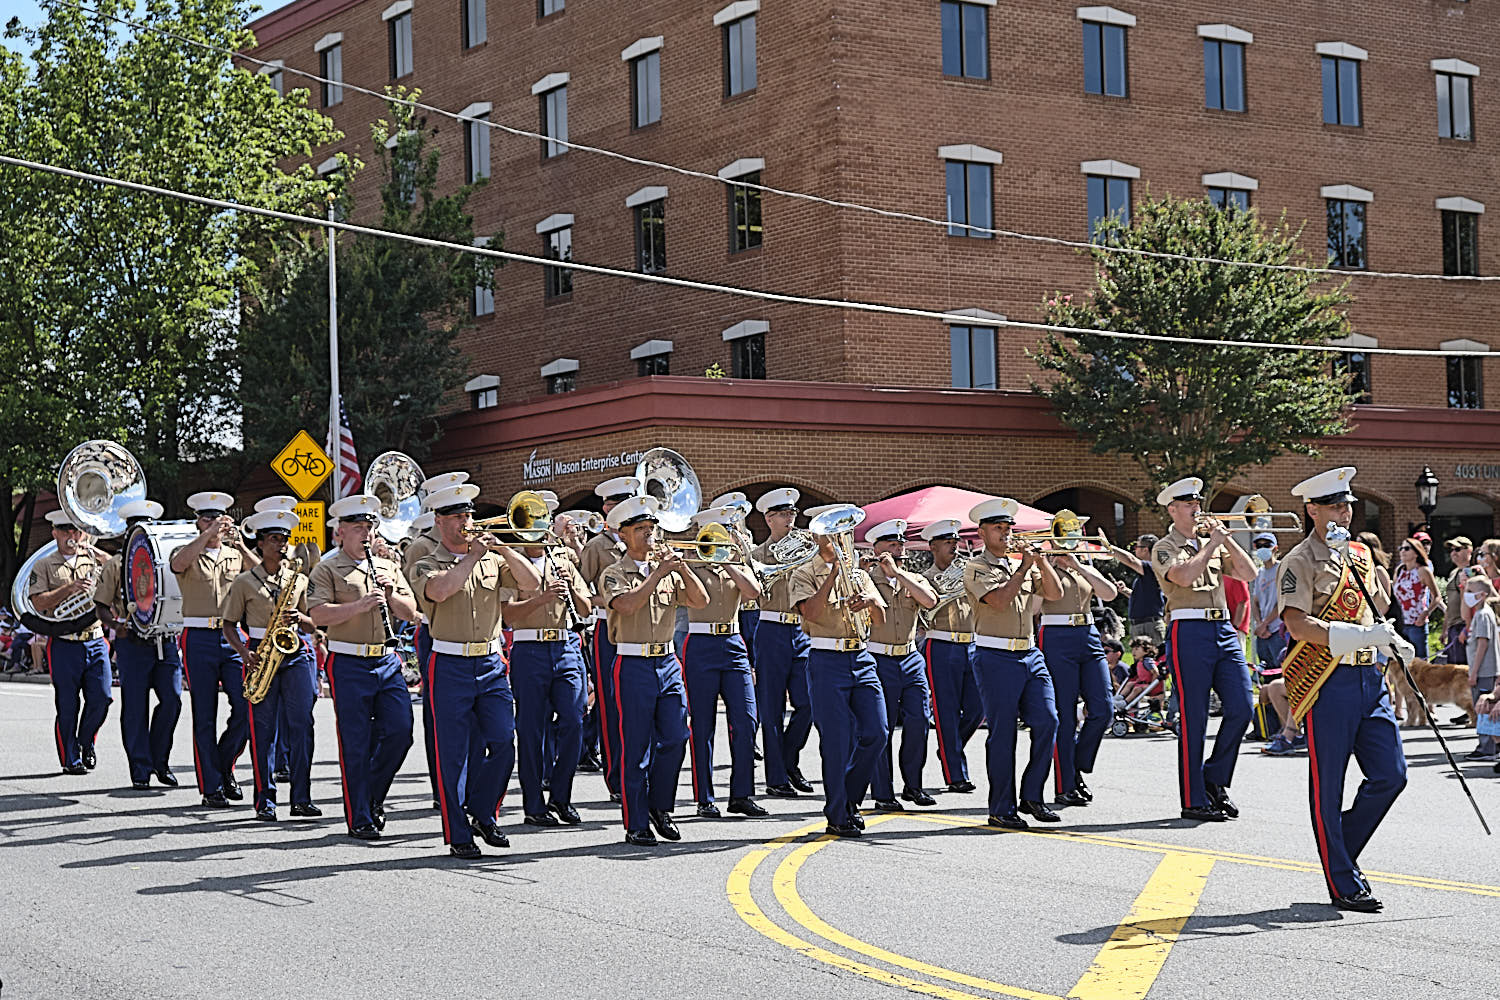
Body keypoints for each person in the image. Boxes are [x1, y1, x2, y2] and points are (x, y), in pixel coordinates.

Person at [1277, 466, 1410, 913]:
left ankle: (1340, 855)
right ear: (1312, 509)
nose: (1345, 511)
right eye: (1335, 505)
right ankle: (1343, 881)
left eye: (1348, 504)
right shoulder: (1298, 560)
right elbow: (1296, 625)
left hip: (1369, 678)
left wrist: (1390, 638)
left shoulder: (1359, 554)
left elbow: (1378, 606)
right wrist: (1350, 637)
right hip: (1327, 680)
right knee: (1328, 785)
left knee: (1391, 775)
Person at [412, 484, 541, 857]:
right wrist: (472, 557)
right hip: (449, 661)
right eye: (455, 517)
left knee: (503, 742)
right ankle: (459, 834)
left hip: (489, 661)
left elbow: (531, 583)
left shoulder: (491, 558)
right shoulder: (425, 558)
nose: (464, 523)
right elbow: (437, 591)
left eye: (467, 515)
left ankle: (484, 812)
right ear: (438, 521)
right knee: (452, 753)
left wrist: (504, 550)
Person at [599, 495, 710, 845]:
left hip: (666, 660)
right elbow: (627, 605)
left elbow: (700, 601)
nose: (649, 536)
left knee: (677, 737)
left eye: (652, 528)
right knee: (635, 747)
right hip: (632, 661)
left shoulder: (665, 567)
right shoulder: (614, 573)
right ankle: (636, 822)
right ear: (624, 534)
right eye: (641, 530)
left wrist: (682, 568)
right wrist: (658, 574)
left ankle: (660, 806)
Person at [307, 494, 418, 841]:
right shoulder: (328, 567)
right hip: (349, 660)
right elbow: (318, 614)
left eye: (369, 527)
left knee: (401, 732)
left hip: (385, 660)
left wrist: (391, 596)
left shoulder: (387, 566)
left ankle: (371, 795)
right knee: (356, 741)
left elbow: (410, 612)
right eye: (358, 528)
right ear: (340, 532)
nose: (366, 534)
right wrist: (359, 605)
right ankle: (359, 817)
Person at [1151, 477, 1256, 822]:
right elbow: (1181, 577)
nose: (1197, 509)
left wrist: (1227, 542)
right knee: (1194, 717)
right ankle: (1193, 799)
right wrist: (1210, 547)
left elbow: (1249, 573)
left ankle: (1214, 779)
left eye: (1198, 503)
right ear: (1172, 509)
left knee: (1242, 708)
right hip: (1189, 628)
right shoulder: (1165, 546)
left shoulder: (1211, 541)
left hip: (1223, 628)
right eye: (1189, 504)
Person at [964, 497, 1064, 829]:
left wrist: (1043, 561)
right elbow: (999, 600)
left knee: (1048, 720)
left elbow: (1055, 594)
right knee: (1003, 733)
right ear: (982, 532)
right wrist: (1023, 567)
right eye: (998, 528)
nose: (1006, 534)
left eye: (1009, 528)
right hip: (994, 654)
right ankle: (1001, 807)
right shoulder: (976, 567)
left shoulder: (1022, 562)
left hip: (1029, 652)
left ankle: (1032, 795)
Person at [788, 514, 888, 837]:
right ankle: (838, 813)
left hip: (861, 655)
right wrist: (833, 576)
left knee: (877, 731)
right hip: (826, 658)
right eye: (831, 535)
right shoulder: (804, 573)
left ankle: (849, 798)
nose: (837, 540)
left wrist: (871, 600)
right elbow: (811, 613)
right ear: (818, 538)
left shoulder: (860, 574)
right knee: (836, 741)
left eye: (843, 533)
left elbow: (882, 618)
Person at [220, 509, 319, 821]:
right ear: (260, 543)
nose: (282, 545)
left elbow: (313, 624)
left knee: (303, 725)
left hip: (294, 653)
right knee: (263, 731)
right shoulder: (244, 583)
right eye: (275, 539)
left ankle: (301, 797)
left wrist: (301, 619)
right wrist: (242, 652)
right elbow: (228, 625)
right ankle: (266, 800)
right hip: (259, 653)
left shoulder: (299, 579)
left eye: (285, 539)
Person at [501, 519, 592, 828]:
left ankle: (561, 796)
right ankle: (533, 803)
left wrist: (571, 589)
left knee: (574, 719)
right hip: (529, 649)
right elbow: (507, 615)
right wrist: (542, 597)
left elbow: (586, 608)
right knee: (530, 728)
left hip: (565, 645)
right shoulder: (510, 562)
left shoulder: (562, 558)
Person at [681, 505, 767, 819]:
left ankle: (741, 794)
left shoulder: (735, 565)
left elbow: (755, 592)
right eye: (713, 535)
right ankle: (705, 796)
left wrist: (730, 562)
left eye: (724, 534)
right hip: (701, 642)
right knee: (702, 724)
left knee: (746, 718)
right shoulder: (691, 566)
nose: (719, 540)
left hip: (732, 642)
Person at [170, 491, 255, 806]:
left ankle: (224, 764)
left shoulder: (235, 555)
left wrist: (241, 545)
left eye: (218, 518)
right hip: (198, 636)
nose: (214, 523)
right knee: (204, 714)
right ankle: (211, 786)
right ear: (198, 522)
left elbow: (266, 575)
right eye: (207, 518)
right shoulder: (187, 552)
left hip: (233, 636)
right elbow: (178, 564)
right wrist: (208, 534)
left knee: (247, 706)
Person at [93, 499, 183, 789]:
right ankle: (140, 768)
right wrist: (116, 625)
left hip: (164, 640)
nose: (141, 531)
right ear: (127, 532)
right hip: (132, 641)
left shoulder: (168, 560)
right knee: (135, 707)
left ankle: (160, 760)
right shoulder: (117, 564)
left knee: (172, 699)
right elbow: (101, 606)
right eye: (135, 527)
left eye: (146, 525)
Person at [862, 518, 938, 810]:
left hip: (909, 657)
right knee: (883, 726)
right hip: (878, 657)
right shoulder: (865, 578)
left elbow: (930, 601)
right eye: (891, 544)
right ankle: (883, 792)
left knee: (919, 720)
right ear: (877, 548)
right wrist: (881, 572)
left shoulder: (914, 578)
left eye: (900, 543)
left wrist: (899, 575)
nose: (898, 548)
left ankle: (913, 785)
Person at [29, 510, 112, 776]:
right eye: (65, 530)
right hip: (64, 642)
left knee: (103, 698)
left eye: (76, 530)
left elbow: (119, 574)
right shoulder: (43, 565)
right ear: (54, 532)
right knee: (67, 705)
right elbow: (39, 602)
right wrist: (70, 588)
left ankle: (85, 742)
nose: (72, 536)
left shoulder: (93, 559)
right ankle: (70, 758)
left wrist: (100, 556)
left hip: (95, 639)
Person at [1038, 532, 1117, 808]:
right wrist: (1045, 565)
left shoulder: (1082, 565)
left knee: (1104, 708)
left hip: (1088, 633)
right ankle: (1066, 784)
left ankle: (1077, 764)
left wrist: (1079, 566)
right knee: (1065, 713)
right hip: (1057, 635)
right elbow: (1036, 606)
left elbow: (1109, 593)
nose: (1067, 543)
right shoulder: (1043, 567)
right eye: (1061, 538)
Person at [405, 472, 468, 811]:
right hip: (435, 631)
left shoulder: (471, 541)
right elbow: (423, 596)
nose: (463, 518)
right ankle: (440, 785)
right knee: (438, 714)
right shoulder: (421, 546)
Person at [752, 487, 816, 797]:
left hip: (801, 630)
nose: (791, 518)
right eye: (784, 514)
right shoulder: (757, 556)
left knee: (809, 703)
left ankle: (789, 759)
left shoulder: (806, 547)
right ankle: (776, 776)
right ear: (768, 518)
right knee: (772, 707)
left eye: (792, 513)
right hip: (772, 630)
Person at [580, 475, 637, 800]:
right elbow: (580, 590)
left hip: (643, 629)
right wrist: (611, 599)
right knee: (612, 706)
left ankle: (640, 772)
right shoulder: (596, 546)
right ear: (607, 508)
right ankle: (617, 780)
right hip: (608, 629)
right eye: (618, 505)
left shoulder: (644, 541)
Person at [920, 518, 982, 794]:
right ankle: (956, 773)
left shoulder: (968, 573)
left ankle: (949, 748)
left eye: (955, 543)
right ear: (932, 546)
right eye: (947, 543)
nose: (954, 548)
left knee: (977, 708)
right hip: (942, 645)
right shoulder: (925, 579)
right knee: (946, 710)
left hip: (972, 644)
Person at [1462, 574, 1498, 762]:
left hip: (1484, 670)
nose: (1466, 594)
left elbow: (1483, 644)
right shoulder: (1482, 613)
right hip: (1485, 669)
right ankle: (1487, 745)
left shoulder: (1483, 614)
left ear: (1482, 595)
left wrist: (1473, 671)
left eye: (1469, 591)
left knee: (1483, 707)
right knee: (1483, 707)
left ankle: (1487, 747)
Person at [1111, 534, 1166, 647]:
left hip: (1149, 625)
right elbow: (1143, 598)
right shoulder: (1145, 573)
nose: (1135, 549)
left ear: (1146, 549)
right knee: (1140, 663)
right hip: (1141, 624)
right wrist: (1125, 590)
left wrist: (1109, 547)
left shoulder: (1152, 567)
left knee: (1153, 661)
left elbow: (1130, 560)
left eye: (1137, 546)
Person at [1392, 538, 1440, 659]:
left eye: (1407, 548)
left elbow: (1437, 596)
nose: (1402, 551)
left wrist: (1425, 613)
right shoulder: (1399, 570)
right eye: (1401, 548)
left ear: (1416, 552)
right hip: (1400, 623)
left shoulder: (1423, 571)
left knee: (1420, 664)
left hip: (1416, 623)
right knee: (1402, 662)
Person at [1249, 532, 1288, 674]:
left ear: (1275, 548)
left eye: (1267, 545)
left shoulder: (1282, 570)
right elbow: (1255, 601)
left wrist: (1265, 624)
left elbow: (1283, 601)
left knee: (1280, 671)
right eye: (1259, 546)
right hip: (1263, 632)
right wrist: (1259, 624)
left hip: (1278, 630)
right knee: (1265, 672)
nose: (1262, 548)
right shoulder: (1259, 573)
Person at [1441, 536, 1474, 663]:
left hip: (1463, 626)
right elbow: (1450, 604)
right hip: (1453, 626)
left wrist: (1467, 627)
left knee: (1462, 670)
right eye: (1452, 550)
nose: (1453, 553)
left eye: (1458, 549)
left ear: (1469, 550)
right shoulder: (1453, 572)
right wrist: (1445, 629)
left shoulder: (1471, 571)